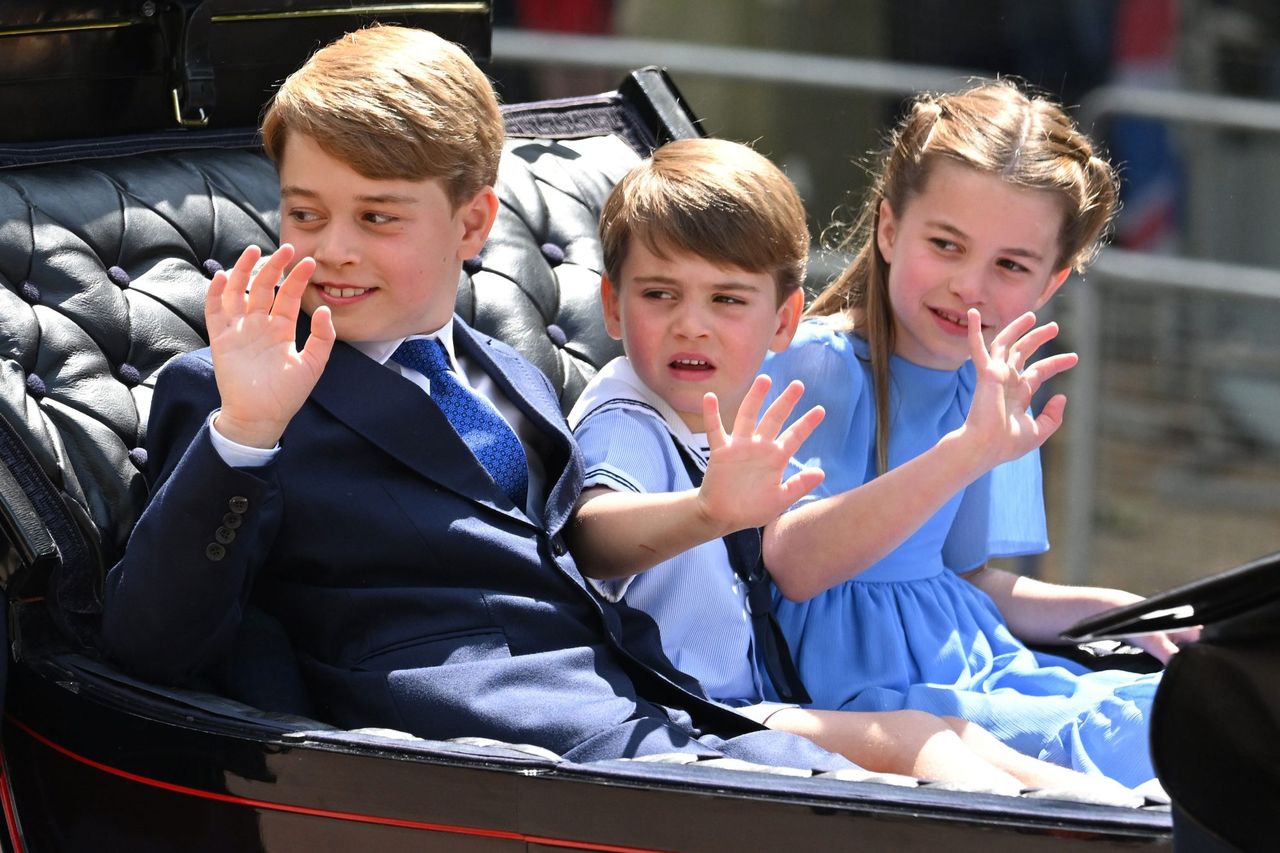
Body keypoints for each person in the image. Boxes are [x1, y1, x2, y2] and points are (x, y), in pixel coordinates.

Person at [99, 24, 856, 772]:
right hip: (481, 752)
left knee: (914, 786)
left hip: (650, 709)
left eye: (377, 216)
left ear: (473, 223)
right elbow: (149, 644)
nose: (332, 247)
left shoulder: (510, 372)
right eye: (305, 213)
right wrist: (245, 432)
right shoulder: (232, 392)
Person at [566, 136, 1135, 797]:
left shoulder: (725, 410)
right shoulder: (630, 414)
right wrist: (707, 510)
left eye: (725, 300)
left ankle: (1123, 812)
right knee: (922, 737)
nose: (692, 324)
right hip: (692, 710)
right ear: (612, 304)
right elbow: (591, 533)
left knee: (960, 737)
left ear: (780, 320)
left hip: (757, 694)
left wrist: (1121, 611)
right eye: (661, 294)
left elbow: (968, 576)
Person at [759, 79, 1199, 788]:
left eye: (1010, 265)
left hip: (981, 666)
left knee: (1177, 706)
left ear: (1049, 284)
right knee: (1158, 739)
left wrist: (1115, 610)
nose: (970, 284)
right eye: (945, 243)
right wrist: (966, 451)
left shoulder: (991, 382)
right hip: (877, 698)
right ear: (889, 229)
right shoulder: (811, 363)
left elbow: (969, 581)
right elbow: (795, 565)